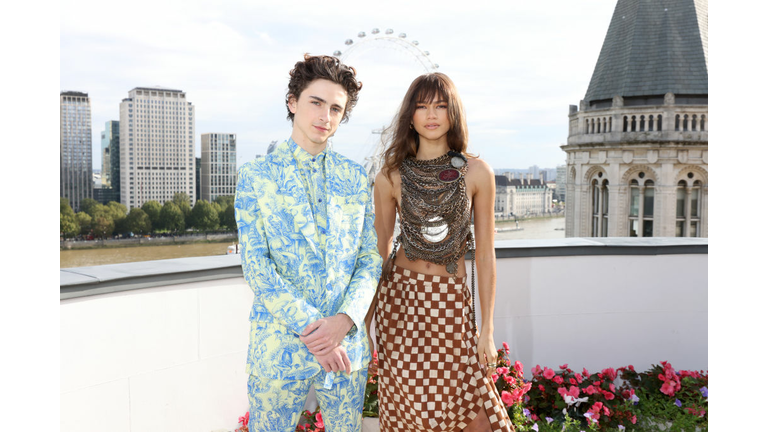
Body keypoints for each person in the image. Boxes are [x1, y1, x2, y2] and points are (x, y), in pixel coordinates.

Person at [235, 54, 382, 432]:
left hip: (346, 350)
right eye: (316, 103)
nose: (325, 117)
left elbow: (369, 259)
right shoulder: (256, 176)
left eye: (336, 109)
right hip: (279, 348)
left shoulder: (355, 178)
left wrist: (344, 321)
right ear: (292, 102)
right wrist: (320, 333)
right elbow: (257, 266)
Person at [367, 73, 514, 431]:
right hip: (399, 304)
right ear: (410, 116)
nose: (431, 115)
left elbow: (485, 255)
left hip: (450, 303)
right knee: (411, 413)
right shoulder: (390, 175)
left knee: (474, 410)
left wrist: (487, 329)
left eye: (441, 106)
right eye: (422, 106)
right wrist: (365, 322)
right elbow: (378, 251)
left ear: (453, 113)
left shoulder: (478, 173)